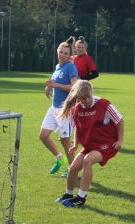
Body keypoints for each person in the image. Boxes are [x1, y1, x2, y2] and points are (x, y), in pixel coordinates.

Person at [55, 79, 124, 207]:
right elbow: (78, 129)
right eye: (82, 99)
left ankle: (81, 197)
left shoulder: (105, 105)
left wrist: (120, 140)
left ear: (92, 93)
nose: (86, 101)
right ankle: (68, 194)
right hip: (90, 145)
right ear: (78, 98)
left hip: (108, 144)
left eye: (88, 97)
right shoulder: (77, 109)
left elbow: (119, 120)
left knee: (88, 160)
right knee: (74, 167)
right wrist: (75, 145)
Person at [39, 36, 79, 178]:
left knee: (65, 141)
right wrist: (48, 88)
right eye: (61, 52)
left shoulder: (71, 67)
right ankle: (60, 159)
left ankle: (72, 168)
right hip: (54, 107)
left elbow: (75, 87)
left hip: (65, 110)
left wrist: (56, 85)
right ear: (57, 52)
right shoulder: (58, 67)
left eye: (65, 53)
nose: (62, 55)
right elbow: (55, 83)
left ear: (69, 56)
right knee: (43, 136)